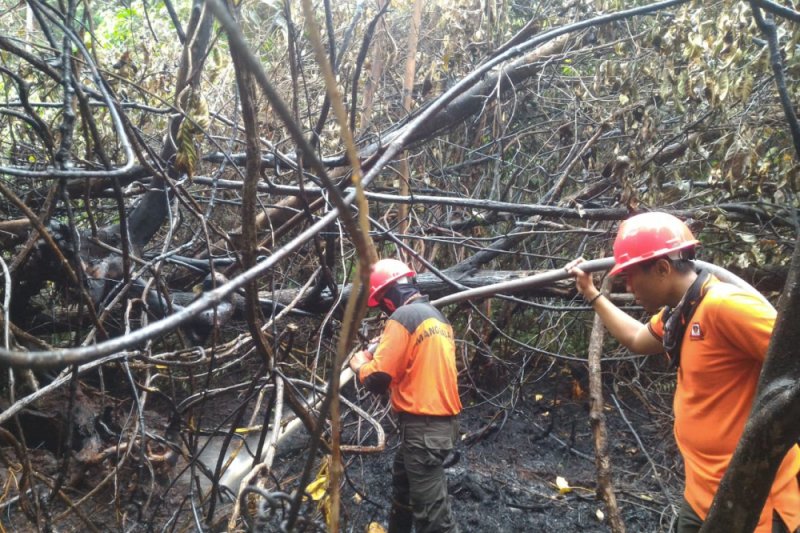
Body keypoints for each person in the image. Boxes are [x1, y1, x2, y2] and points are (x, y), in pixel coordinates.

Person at [566, 212, 800, 533]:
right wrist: (592, 294)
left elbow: (792, 364)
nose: (628, 285)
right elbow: (637, 338)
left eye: (632, 276)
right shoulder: (681, 312)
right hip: (702, 492)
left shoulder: (726, 305)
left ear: (662, 268)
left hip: (753, 498)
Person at [349, 258, 461, 533]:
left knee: (434, 520)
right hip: (439, 426)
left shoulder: (403, 317)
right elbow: (415, 366)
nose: (386, 309)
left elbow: (377, 379)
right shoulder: (437, 318)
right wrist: (385, 344)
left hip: (424, 429)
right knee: (403, 488)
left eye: (383, 302)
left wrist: (360, 363)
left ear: (389, 295)